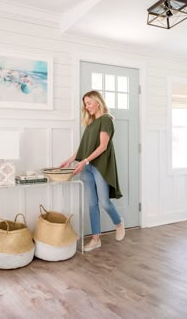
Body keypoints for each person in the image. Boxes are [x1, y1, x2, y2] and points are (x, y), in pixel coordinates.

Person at [60, 90, 125, 252]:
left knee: (104, 202)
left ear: (98, 102)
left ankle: (118, 222)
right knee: (91, 203)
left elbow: (103, 146)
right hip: (87, 167)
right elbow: (85, 147)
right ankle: (96, 239)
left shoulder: (106, 120)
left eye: (89, 103)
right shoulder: (90, 123)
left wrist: (85, 161)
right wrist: (71, 159)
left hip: (100, 166)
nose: (87, 107)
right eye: (85, 104)